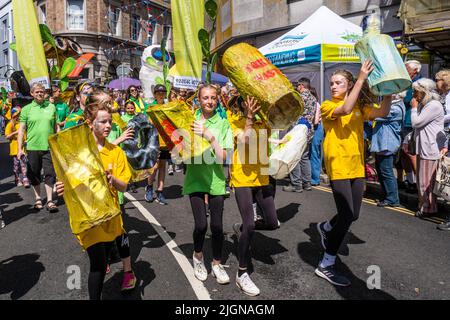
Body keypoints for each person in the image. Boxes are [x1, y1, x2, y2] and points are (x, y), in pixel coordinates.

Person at [316, 60, 392, 286]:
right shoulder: (327, 105)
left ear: (348, 85)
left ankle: (327, 227)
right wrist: (361, 78)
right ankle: (325, 263)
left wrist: (388, 91)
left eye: (338, 83)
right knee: (347, 215)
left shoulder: (359, 107)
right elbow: (345, 109)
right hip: (338, 166)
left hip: (356, 166)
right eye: (332, 83)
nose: (333, 86)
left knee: (354, 214)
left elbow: (383, 111)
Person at [55, 90, 136, 299]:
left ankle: (127, 273)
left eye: (109, 121)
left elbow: (124, 186)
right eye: (102, 122)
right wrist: (61, 188)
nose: (108, 126)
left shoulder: (116, 152)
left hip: (110, 216)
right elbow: (69, 183)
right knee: (98, 263)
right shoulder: (78, 153)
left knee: (106, 255)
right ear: (91, 124)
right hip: (87, 218)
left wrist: (112, 180)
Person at [229, 96, 279, 296]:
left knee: (272, 223)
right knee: (250, 224)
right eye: (248, 101)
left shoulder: (264, 120)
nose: (253, 104)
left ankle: (240, 229)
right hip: (242, 177)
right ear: (242, 103)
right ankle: (242, 273)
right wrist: (249, 117)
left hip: (262, 176)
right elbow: (244, 141)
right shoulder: (234, 120)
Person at [183, 84, 233, 284]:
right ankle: (197, 256)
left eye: (213, 97)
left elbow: (224, 157)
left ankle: (217, 263)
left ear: (217, 99)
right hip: (195, 178)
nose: (209, 101)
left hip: (216, 181)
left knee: (218, 226)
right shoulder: (189, 121)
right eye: (205, 97)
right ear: (199, 100)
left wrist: (209, 136)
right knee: (201, 225)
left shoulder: (223, 123)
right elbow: (180, 150)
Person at [17, 83, 59, 212]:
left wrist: (59, 143)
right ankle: (38, 198)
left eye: (42, 91)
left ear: (45, 93)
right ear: (32, 94)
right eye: (37, 92)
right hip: (33, 147)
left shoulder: (52, 107)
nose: (40, 94)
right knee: (34, 174)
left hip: (49, 147)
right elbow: (21, 130)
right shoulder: (26, 109)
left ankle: (50, 200)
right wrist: (19, 149)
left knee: (50, 174)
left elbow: (56, 127)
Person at [410, 79, 445, 218]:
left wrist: (413, 108)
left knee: (426, 182)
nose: (414, 95)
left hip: (430, 148)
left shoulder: (434, 105)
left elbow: (416, 123)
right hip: (424, 147)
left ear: (424, 92)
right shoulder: (427, 104)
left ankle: (429, 208)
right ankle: (423, 205)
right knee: (422, 180)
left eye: (416, 92)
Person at [371, 92, 406, 207]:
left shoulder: (395, 108)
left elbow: (375, 115)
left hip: (387, 144)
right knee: (382, 171)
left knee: (386, 172)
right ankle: (387, 196)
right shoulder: (393, 105)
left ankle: (392, 199)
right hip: (383, 144)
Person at [283, 78, 317, 192]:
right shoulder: (313, 97)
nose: (297, 88)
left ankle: (296, 184)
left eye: (298, 86)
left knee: (294, 157)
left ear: (301, 86)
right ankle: (307, 183)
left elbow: (291, 112)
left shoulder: (300, 97)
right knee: (304, 157)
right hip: (308, 130)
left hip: (298, 130)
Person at [398, 60, 422, 193]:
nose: (404, 70)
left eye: (407, 68)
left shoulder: (418, 83)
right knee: (403, 152)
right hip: (404, 121)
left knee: (410, 152)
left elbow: (407, 99)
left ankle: (419, 184)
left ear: (415, 71)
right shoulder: (407, 81)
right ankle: (410, 180)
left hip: (411, 122)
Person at [144, 84, 169, 205]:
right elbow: (146, 123)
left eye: (163, 92)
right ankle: (149, 187)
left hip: (165, 141)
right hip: (154, 141)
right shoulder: (150, 107)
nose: (161, 94)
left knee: (163, 166)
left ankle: (160, 191)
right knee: (154, 167)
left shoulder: (168, 106)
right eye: (158, 92)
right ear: (154, 94)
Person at [5, 107, 30, 187]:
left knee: (24, 164)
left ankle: (25, 178)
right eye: (17, 115)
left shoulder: (22, 123)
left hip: (23, 148)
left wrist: (26, 140)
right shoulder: (10, 124)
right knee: (16, 165)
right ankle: (17, 178)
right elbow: (7, 136)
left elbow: (25, 134)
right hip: (14, 149)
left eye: (19, 114)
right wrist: (16, 132)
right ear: (13, 116)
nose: (18, 116)